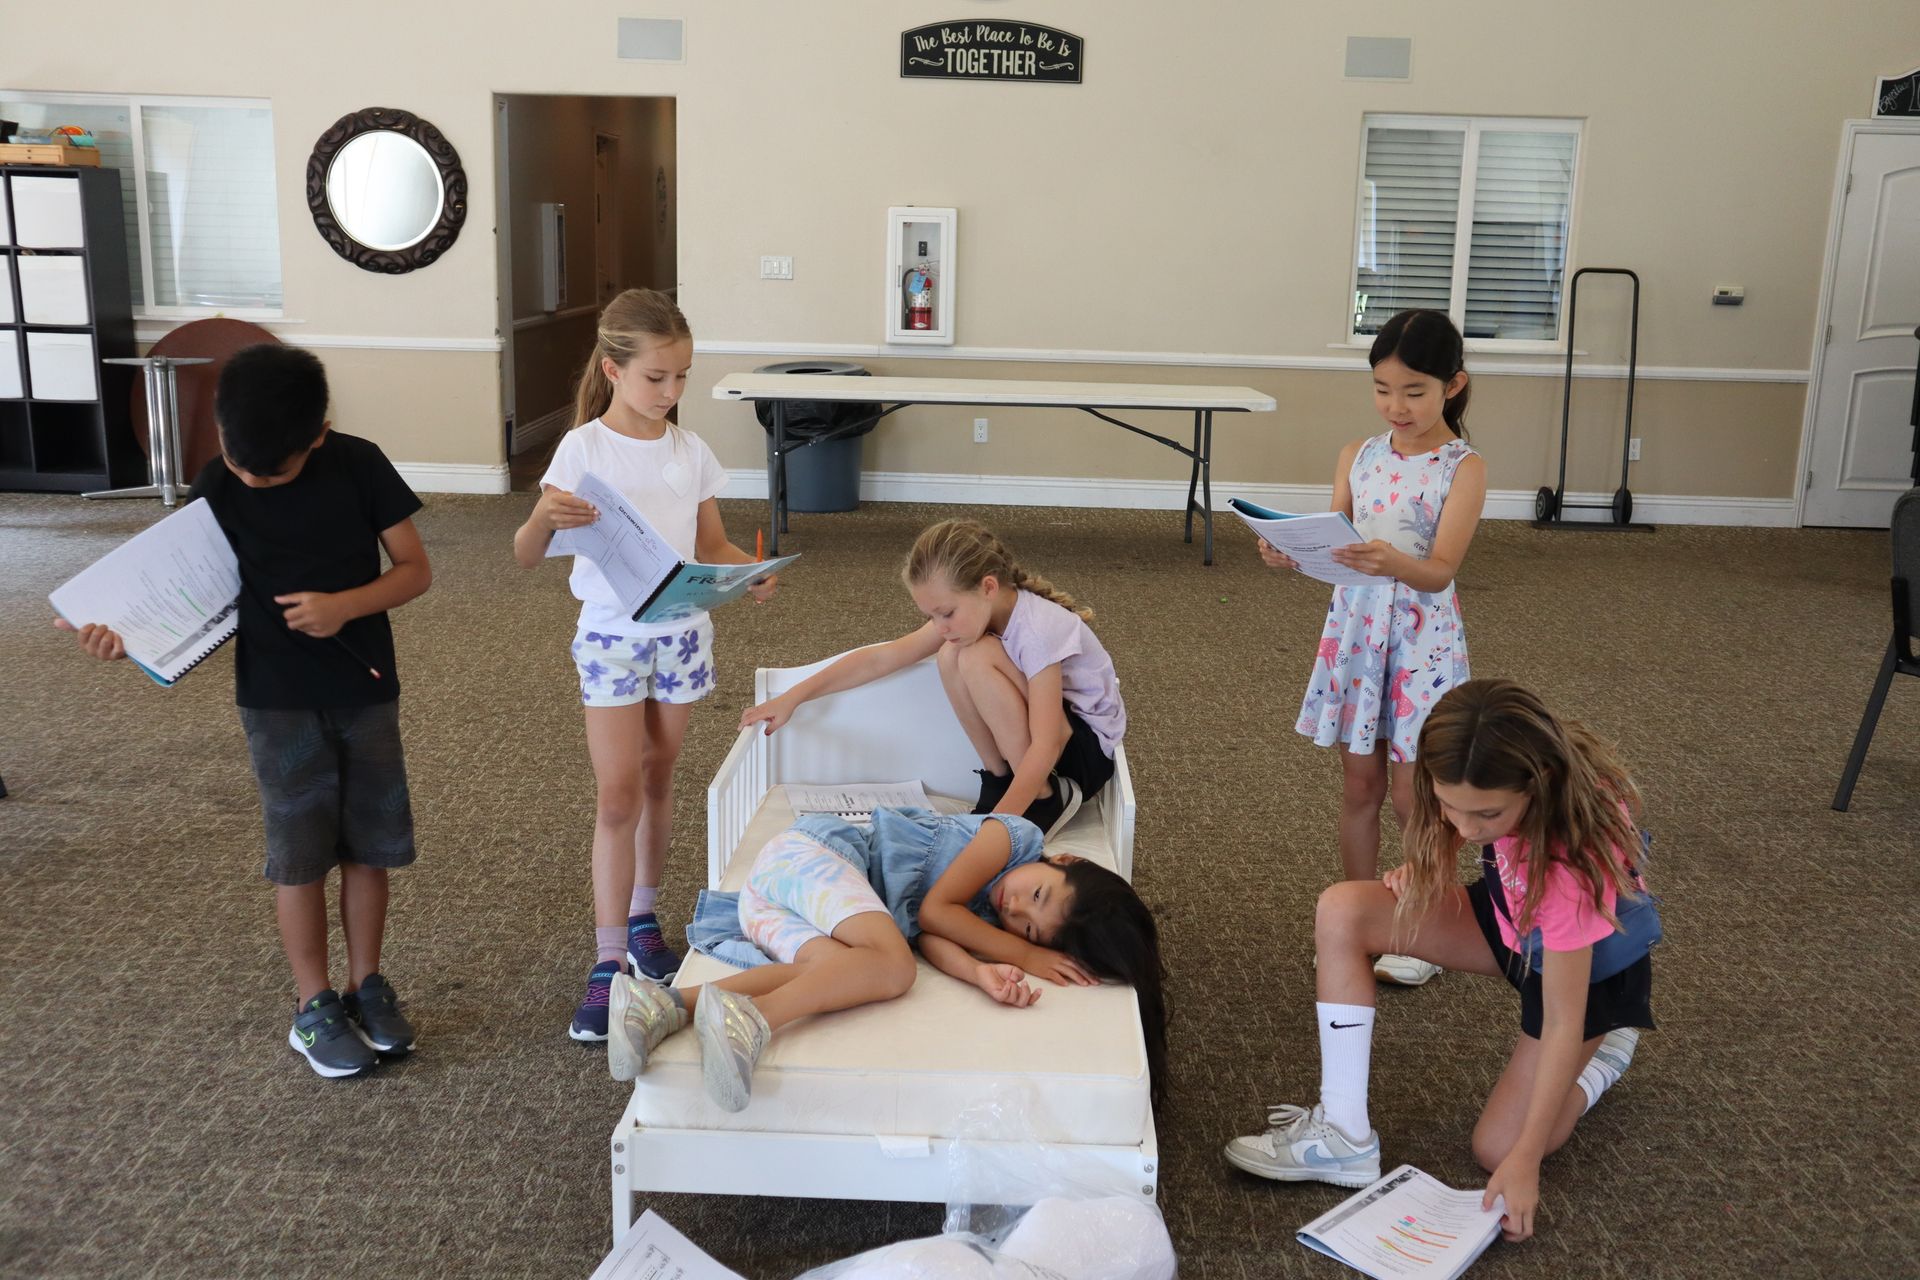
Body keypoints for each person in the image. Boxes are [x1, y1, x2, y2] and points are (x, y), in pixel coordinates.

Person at [59, 344, 432, 1079]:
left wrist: (343, 607)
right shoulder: (214, 484)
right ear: (222, 432)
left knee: (370, 847)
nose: (250, 477)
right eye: (235, 459)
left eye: (272, 470)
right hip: (275, 702)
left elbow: (415, 570)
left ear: (318, 433)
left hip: (364, 687)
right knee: (298, 856)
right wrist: (115, 636)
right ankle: (313, 1003)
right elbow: (175, 591)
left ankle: (367, 983)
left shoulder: (360, 463)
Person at [1223, 680, 1656, 1243]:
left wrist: (1525, 1162)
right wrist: (1432, 866)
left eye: (1486, 814)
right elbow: (1458, 819)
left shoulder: (1569, 862)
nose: (1466, 827)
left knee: (1498, 1148)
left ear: (1539, 784)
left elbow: (1561, 1019)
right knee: (1343, 911)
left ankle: (1605, 1056)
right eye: (1452, 806)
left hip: (1587, 974)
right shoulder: (1472, 767)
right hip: (1511, 917)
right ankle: (1343, 1135)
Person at [513, 288, 775, 1043]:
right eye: (656, 377)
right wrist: (539, 518)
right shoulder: (583, 450)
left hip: (682, 633)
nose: (670, 393)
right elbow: (528, 555)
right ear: (614, 370)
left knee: (660, 778)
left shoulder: (689, 452)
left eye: (682, 377)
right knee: (618, 793)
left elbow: (712, 544)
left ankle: (643, 917)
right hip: (610, 638)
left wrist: (747, 573)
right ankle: (606, 963)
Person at [602, 807, 1167, 1112]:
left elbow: (934, 940)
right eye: (1037, 894)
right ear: (1061, 859)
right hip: (810, 859)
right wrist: (1023, 952)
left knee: (832, 975)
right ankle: (754, 1022)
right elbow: (938, 913)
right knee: (892, 970)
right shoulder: (1013, 836)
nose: (1014, 906)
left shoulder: (990, 923)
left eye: (1027, 926)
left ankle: (662, 1006)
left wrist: (980, 972)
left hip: (777, 904)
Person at [1261, 308, 1486, 986]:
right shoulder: (1357, 456)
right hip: (1356, 636)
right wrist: (1290, 555)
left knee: (1414, 798)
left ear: (1453, 385)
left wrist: (1392, 562)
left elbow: (1441, 569)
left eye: (1414, 391)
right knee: (1359, 785)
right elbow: (1337, 545)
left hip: (1422, 642)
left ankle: (1421, 928)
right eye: (1383, 389)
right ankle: (1362, 918)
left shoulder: (1462, 467)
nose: (1396, 406)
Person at [741, 519, 1123, 837]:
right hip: (1050, 738)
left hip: (1081, 752)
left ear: (988, 587)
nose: (940, 626)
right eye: (932, 616)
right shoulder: (971, 616)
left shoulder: (1039, 629)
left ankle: (1043, 799)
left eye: (946, 613)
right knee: (950, 655)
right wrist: (793, 696)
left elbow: (1048, 740)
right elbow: (881, 659)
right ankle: (1000, 778)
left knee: (974, 656)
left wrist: (995, 829)